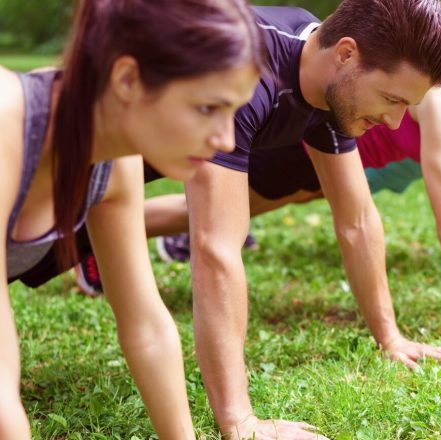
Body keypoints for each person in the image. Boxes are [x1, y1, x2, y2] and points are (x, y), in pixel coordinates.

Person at [70, 1, 441, 438]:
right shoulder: (244, 68)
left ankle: (82, 243)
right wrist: (240, 422)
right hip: (53, 173)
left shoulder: (328, 84)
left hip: (101, 193)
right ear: (347, 54)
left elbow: (357, 220)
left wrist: (391, 337)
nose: (394, 123)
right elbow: (216, 249)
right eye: (391, 99)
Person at [137, 17, 441, 342]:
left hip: (346, 163)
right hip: (317, 151)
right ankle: (106, 234)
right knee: (218, 214)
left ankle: (113, 231)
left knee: (228, 212)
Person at [0, 0, 263, 438]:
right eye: (207, 108)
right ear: (127, 79)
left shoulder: (114, 162)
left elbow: (145, 324)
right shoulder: (7, 122)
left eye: (234, 111)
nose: (226, 139)